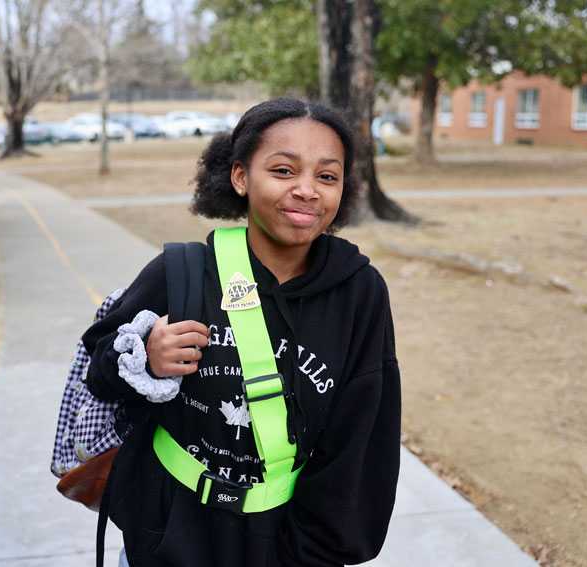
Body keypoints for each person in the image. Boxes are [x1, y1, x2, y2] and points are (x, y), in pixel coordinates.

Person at [83, 98, 401, 567]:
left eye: (327, 176)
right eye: (283, 171)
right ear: (240, 177)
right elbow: (98, 369)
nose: (307, 190)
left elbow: (360, 439)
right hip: (168, 530)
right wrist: (144, 357)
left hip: (285, 541)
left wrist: (311, 553)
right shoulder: (183, 272)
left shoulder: (359, 294)